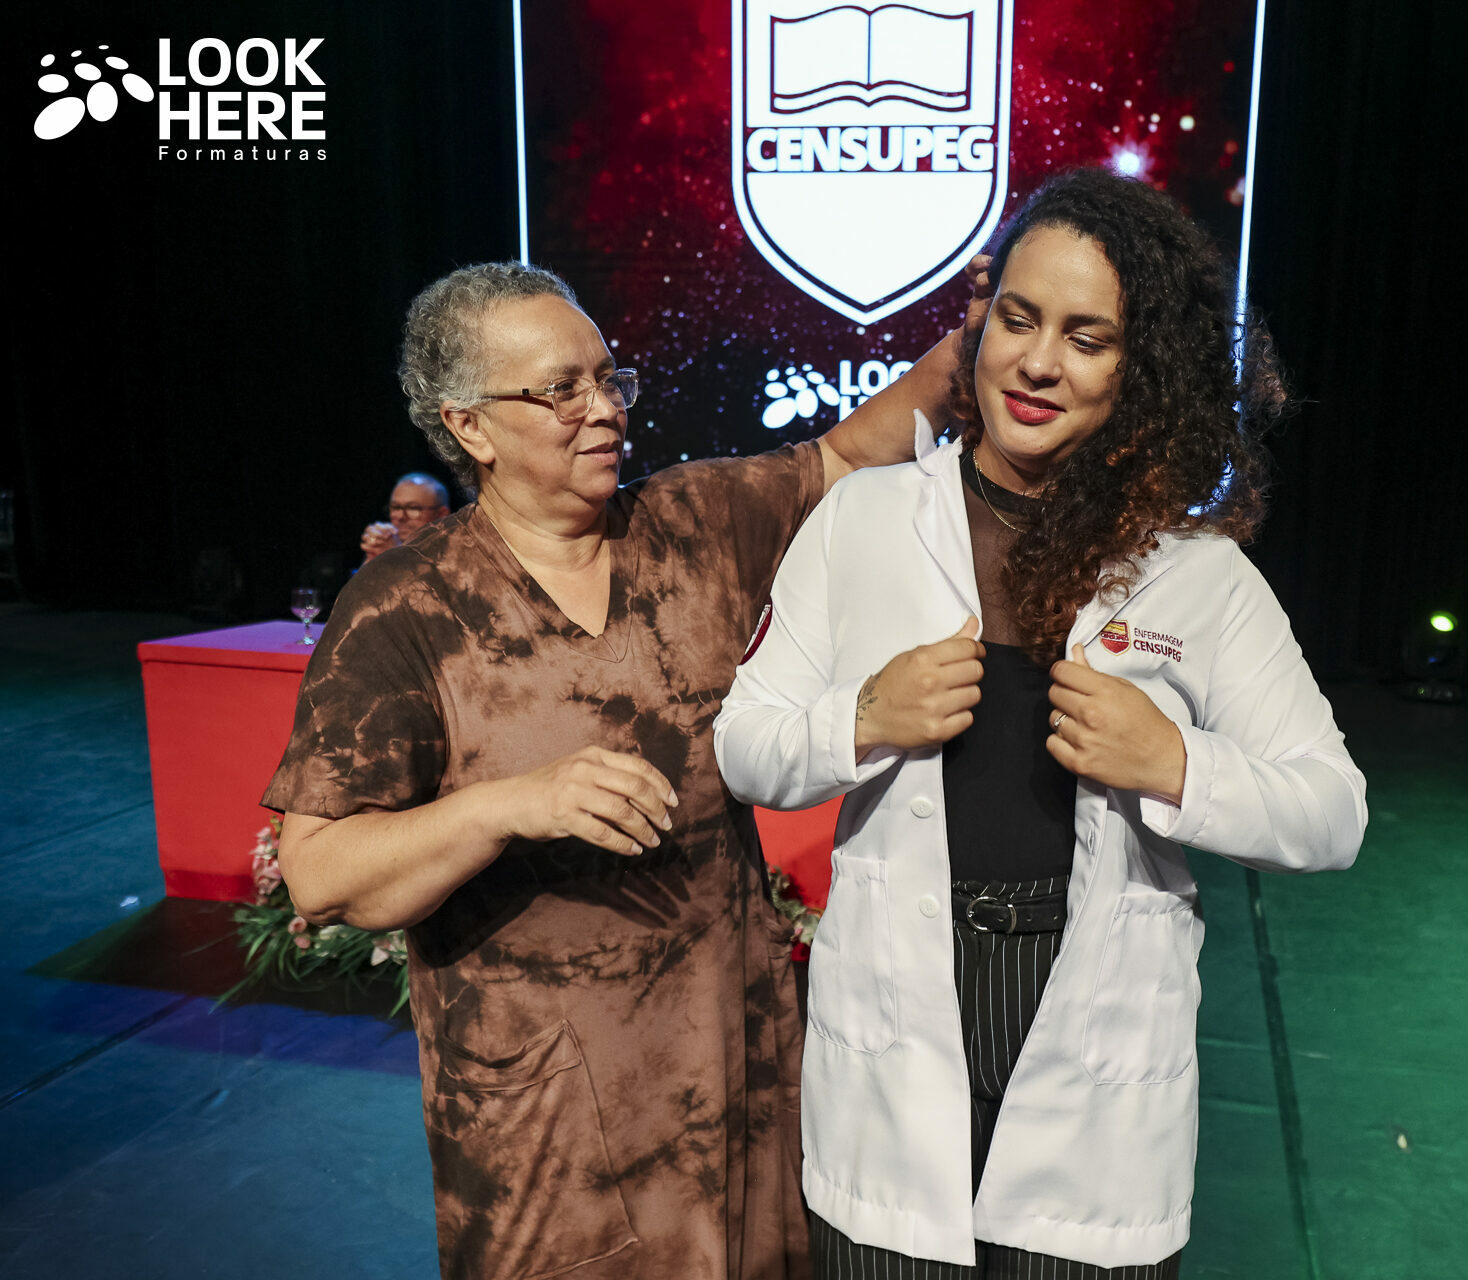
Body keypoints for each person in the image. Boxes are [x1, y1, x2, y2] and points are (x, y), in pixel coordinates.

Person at [264, 258, 982, 1280]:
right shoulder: (405, 609)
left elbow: (851, 451)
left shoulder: (691, 524)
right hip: (552, 1131)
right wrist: (508, 805)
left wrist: (981, 337)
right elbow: (322, 872)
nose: (604, 409)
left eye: (610, 379)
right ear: (469, 426)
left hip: (739, 1084)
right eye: (561, 389)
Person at [714, 168, 1367, 1277]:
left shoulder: (1194, 571)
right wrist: (862, 716)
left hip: (1095, 1067)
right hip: (896, 1040)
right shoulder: (866, 519)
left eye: (1087, 337)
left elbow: (1332, 812)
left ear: (1142, 366)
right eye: (1018, 319)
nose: (1038, 361)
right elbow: (746, 744)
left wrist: (1175, 761)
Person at [360, 471, 452, 563]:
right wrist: (371, 559)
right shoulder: (386, 544)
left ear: (441, 514)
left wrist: (395, 554)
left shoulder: (455, 552)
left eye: (413, 508)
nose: (401, 517)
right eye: (396, 507)